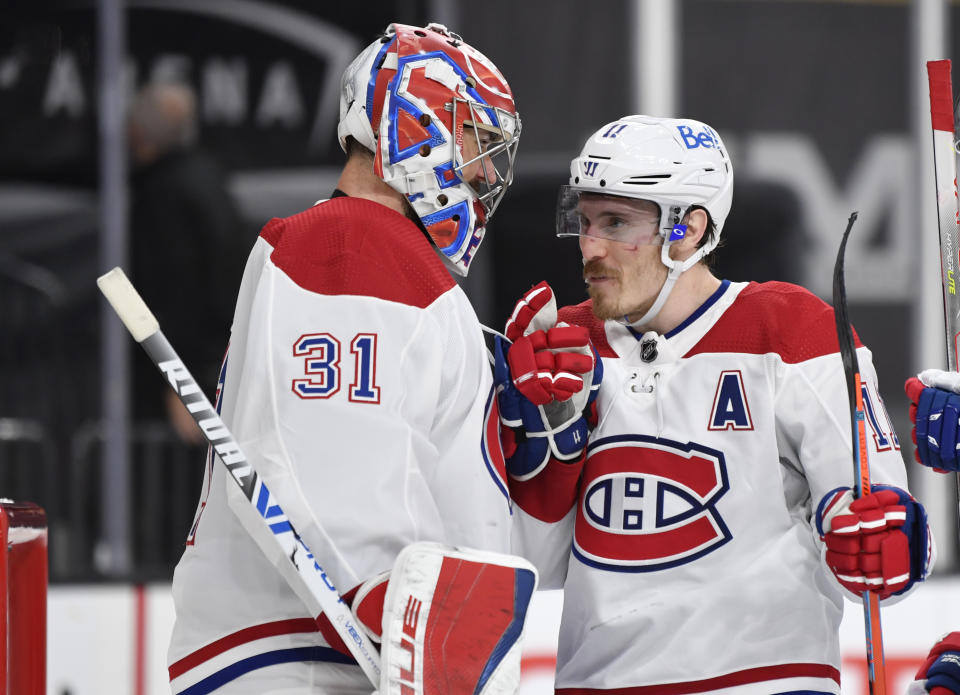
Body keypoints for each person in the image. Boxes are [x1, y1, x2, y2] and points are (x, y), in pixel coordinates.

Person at [494, 114, 935, 695]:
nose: (591, 247)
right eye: (585, 222)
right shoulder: (562, 347)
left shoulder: (793, 330)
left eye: (617, 223)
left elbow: (873, 546)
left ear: (689, 229)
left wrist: (888, 543)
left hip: (767, 681)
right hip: (600, 682)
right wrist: (542, 440)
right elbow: (535, 567)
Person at [165, 22, 533, 695]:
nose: (484, 172)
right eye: (477, 139)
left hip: (343, 660)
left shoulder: (395, 263)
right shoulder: (351, 244)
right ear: (414, 119)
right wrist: (401, 612)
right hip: (305, 660)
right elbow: (326, 465)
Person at [128, 82, 249, 445]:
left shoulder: (164, 194)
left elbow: (174, 294)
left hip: (182, 380)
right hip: (215, 367)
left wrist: (180, 382)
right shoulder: (208, 179)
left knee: (168, 490)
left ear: (136, 132)